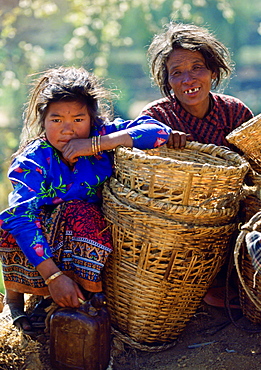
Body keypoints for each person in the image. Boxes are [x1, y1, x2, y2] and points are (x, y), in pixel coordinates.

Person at [0, 66, 173, 334]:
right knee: (14, 222)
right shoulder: (33, 161)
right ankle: (15, 301)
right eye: (56, 120)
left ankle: (89, 298)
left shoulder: (100, 137)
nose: (67, 130)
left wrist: (97, 144)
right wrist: (54, 277)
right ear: (43, 121)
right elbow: (22, 218)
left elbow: (159, 132)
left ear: (92, 120)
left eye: (78, 120)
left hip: (92, 236)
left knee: (83, 213)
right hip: (45, 244)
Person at [141, 22, 254, 149]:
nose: (188, 80)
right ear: (168, 81)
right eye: (177, 72)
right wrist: (164, 139)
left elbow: (255, 162)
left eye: (196, 68)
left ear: (213, 71)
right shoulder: (156, 117)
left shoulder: (234, 113)